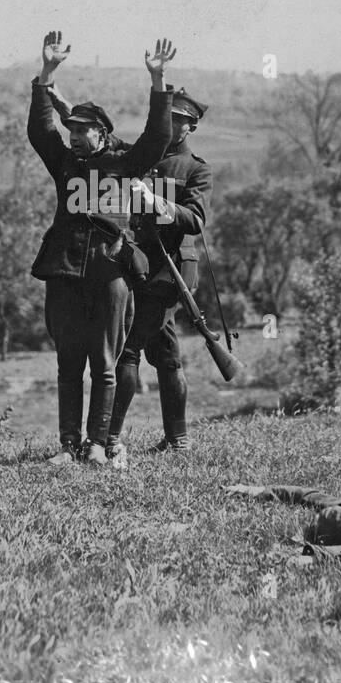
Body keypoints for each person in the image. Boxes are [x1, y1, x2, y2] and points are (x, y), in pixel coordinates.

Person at [28, 30, 175, 466]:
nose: (73, 136)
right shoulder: (65, 163)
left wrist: (158, 81)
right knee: (68, 363)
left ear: (102, 134)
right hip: (65, 269)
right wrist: (47, 73)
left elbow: (157, 137)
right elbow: (40, 130)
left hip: (110, 270)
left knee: (105, 363)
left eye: (82, 130)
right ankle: (68, 446)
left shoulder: (125, 163)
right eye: (71, 129)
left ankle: (96, 443)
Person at [47, 83, 212, 463]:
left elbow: (195, 220)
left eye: (180, 121)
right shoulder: (134, 155)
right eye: (168, 117)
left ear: (191, 128)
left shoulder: (194, 169)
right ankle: (178, 438)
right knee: (166, 353)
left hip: (168, 270)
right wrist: (61, 102)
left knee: (125, 352)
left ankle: (107, 439)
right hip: (129, 264)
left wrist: (155, 201)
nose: (171, 125)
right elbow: (93, 135)